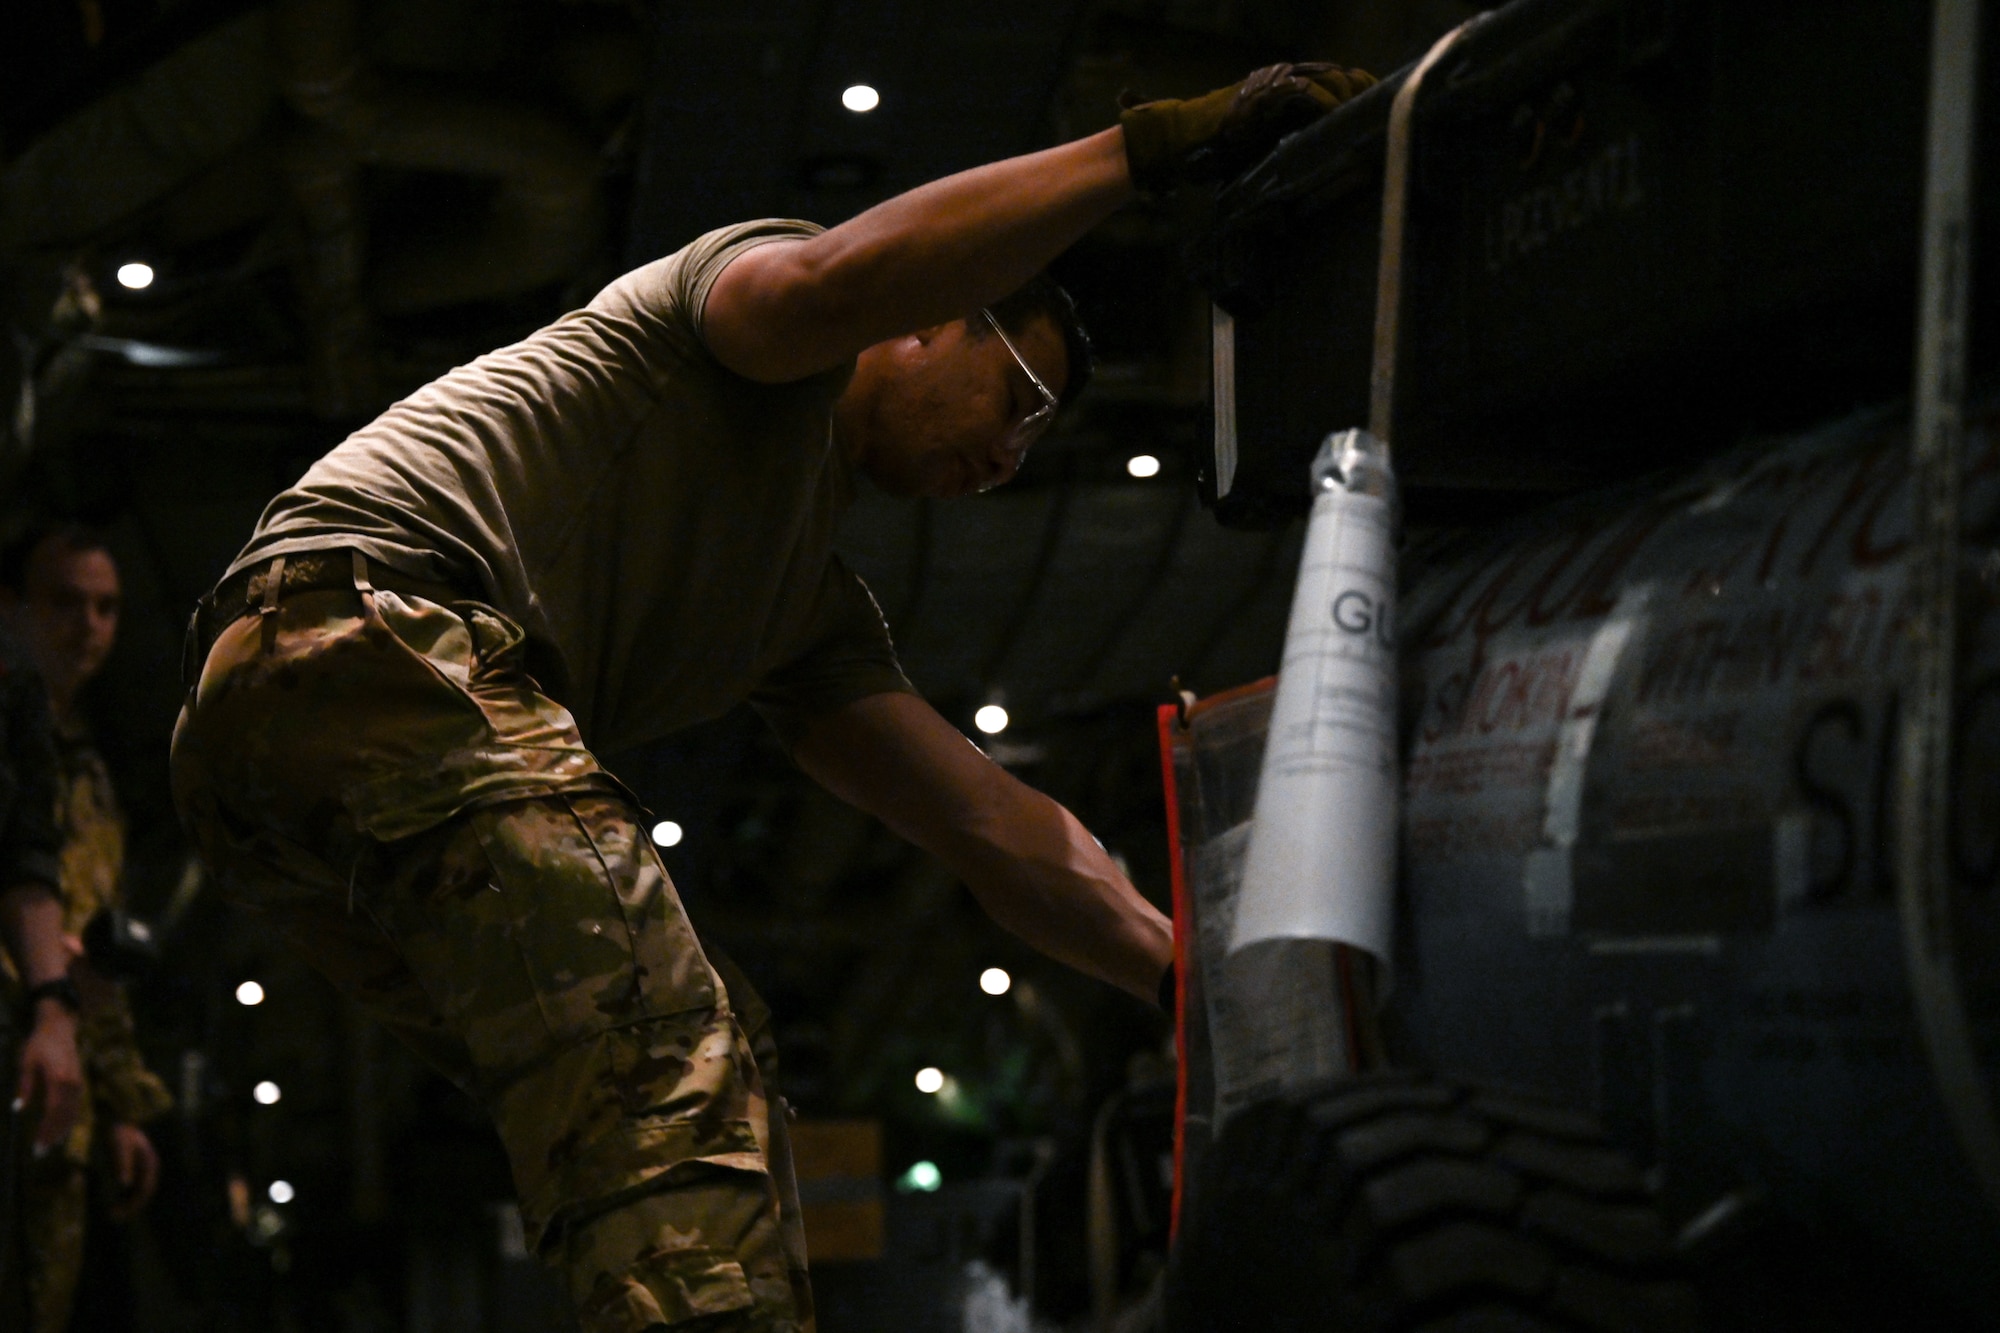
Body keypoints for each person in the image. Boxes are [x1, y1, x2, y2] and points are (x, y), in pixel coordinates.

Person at [170, 63, 1373, 1332]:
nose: (1005, 461)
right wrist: (1153, 151)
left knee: (689, 1067)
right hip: (370, 626)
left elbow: (989, 823)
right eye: (1017, 401)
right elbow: (843, 278)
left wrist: (1183, 979)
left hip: (268, 775)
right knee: (657, 1054)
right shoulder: (752, 308)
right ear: (927, 318)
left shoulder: (800, 608)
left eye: (1033, 448)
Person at [0, 526, 173, 1332]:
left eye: (106, 607)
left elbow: (95, 939)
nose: (89, 625)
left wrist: (122, 1098)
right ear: (17, 609)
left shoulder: (93, 775)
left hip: (57, 1073)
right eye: (65, 602)